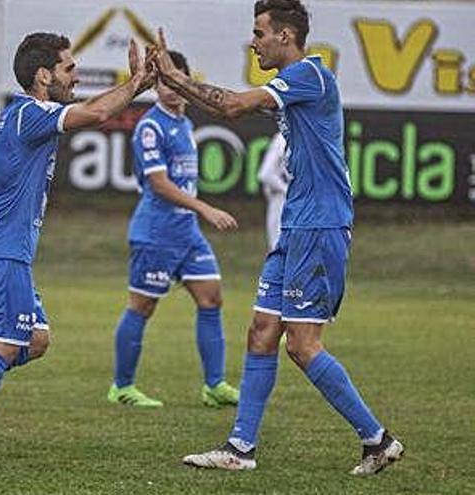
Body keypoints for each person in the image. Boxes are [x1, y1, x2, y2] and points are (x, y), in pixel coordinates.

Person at [150, 0, 403, 475]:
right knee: (262, 333)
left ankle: (377, 439)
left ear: (286, 36)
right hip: (297, 223)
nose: (254, 41)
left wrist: (174, 77)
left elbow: (233, 105)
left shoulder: (310, 75)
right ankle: (240, 449)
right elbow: (229, 112)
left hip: (319, 224)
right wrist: (172, 80)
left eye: (260, 33)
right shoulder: (296, 85)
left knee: (303, 345)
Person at [0, 32, 155, 468]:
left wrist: (133, 84)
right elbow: (98, 112)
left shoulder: (25, 114)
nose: (75, 75)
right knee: (4, 344)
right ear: (44, 76)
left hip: (2, 247)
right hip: (0, 248)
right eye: (68, 68)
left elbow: (90, 107)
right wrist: (136, 83)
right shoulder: (30, 113)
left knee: (35, 340)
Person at [108, 49, 240, 410]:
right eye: (163, 82)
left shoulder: (184, 124)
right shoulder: (150, 126)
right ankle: (122, 386)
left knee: (211, 297)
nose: (171, 89)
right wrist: (205, 208)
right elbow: (160, 184)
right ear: (156, 87)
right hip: (157, 231)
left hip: (186, 232)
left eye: (176, 79)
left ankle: (214, 385)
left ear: (187, 80)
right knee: (142, 306)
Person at [258, 132, 289, 250]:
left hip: (284, 200)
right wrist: (287, 190)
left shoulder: (283, 137)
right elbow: (265, 175)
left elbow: (265, 174)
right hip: (283, 200)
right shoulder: (283, 138)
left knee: (280, 250)